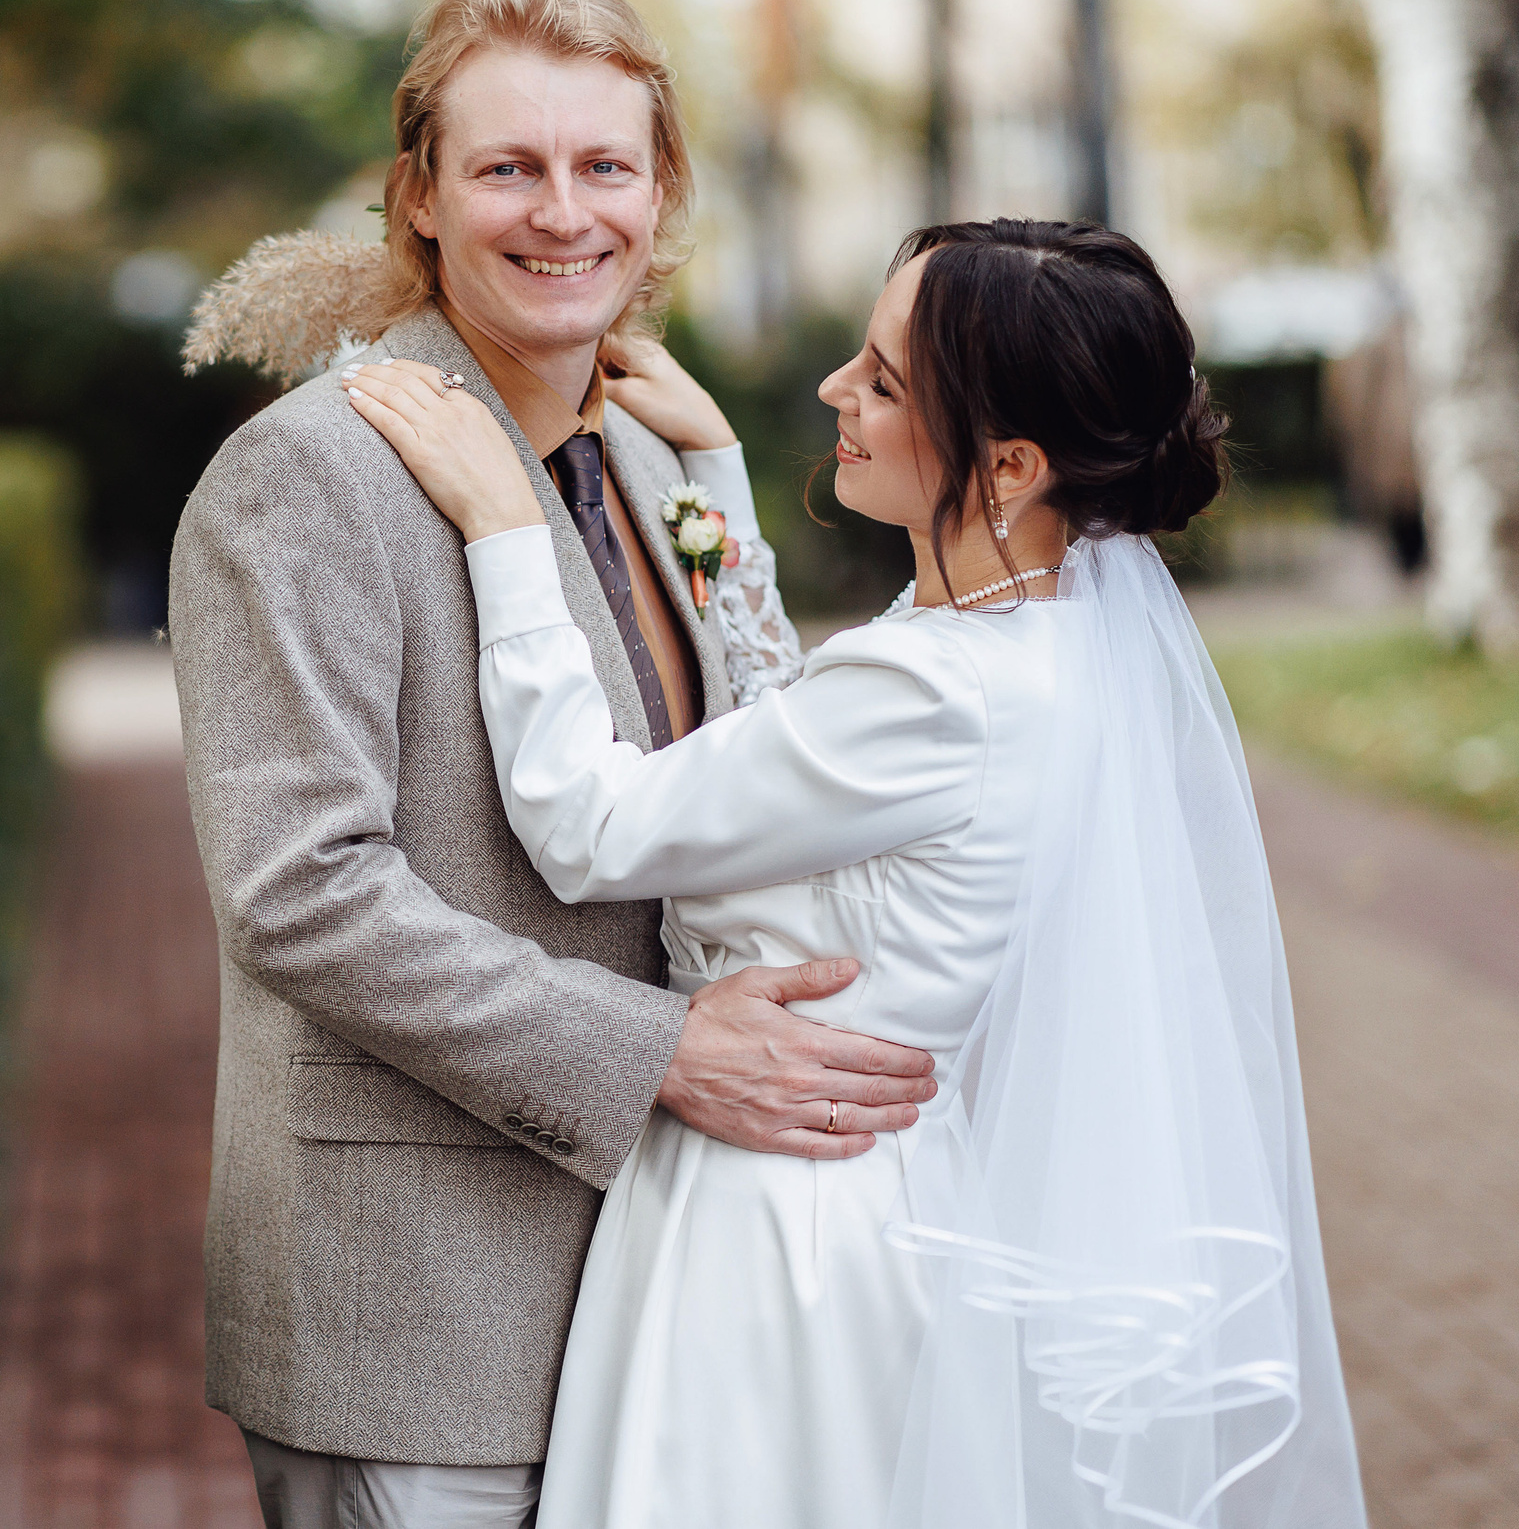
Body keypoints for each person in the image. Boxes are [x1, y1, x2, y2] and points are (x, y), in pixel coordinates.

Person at [345, 219, 1369, 1528]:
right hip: (887, 1197)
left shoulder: (938, 687)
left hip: (779, 1237)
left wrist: (504, 528)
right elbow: (787, 730)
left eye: (884, 380)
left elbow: (590, 825)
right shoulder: (1030, 637)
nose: (837, 388)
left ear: (1008, 465)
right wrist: (703, 483)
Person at [168, 0, 938, 1528]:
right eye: (508, 167)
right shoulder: (305, 479)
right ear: (420, 199)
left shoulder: (658, 448)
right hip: (424, 1314)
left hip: (672, 1294)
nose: (562, 213)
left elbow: (745, 758)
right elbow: (302, 892)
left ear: (662, 197)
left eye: (605, 166)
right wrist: (659, 1050)